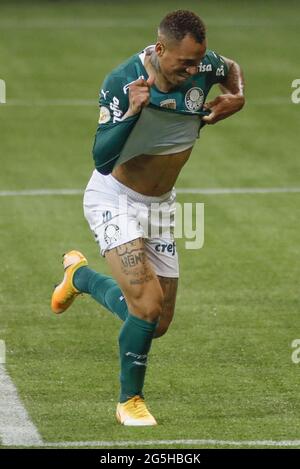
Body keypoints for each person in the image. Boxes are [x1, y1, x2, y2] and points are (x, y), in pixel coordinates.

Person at [51, 10, 245, 426]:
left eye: (198, 62)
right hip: (114, 198)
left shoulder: (204, 63)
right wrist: (130, 114)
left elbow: (229, 69)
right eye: (185, 64)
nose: (194, 71)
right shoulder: (124, 82)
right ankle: (129, 402)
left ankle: (79, 278)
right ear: (160, 50)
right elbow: (102, 160)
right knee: (146, 305)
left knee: (157, 322)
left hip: (160, 207)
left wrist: (237, 95)